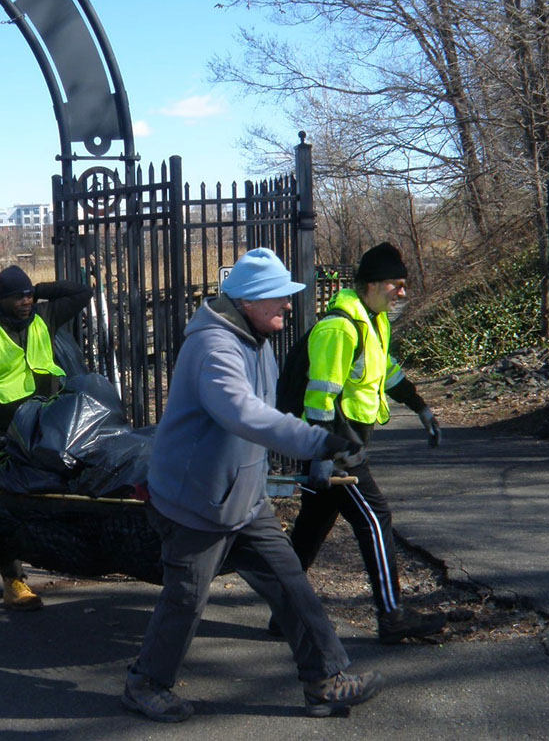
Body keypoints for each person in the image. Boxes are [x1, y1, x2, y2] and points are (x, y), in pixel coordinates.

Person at [123, 248, 383, 723]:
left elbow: (269, 413)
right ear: (250, 300)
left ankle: (325, 682)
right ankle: (145, 684)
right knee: (185, 600)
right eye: (280, 298)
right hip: (194, 502)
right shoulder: (213, 348)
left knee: (291, 585)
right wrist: (317, 442)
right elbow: (244, 414)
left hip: (243, 499)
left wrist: (314, 445)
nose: (288, 305)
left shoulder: (256, 340)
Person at [282, 242, 446, 644]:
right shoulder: (339, 327)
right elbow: (320, 398)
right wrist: (325, 456)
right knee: (376, 518)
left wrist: (420, 406)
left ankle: (282, 615)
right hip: (334, 450)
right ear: (372, 284)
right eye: (397, 285)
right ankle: (392, 618)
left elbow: (386, 371)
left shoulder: (373, 322)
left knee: (311, 528)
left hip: (337, 447)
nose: (403, 293)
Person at [0, 264, 93, 611]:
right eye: (19, 296)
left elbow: (81, 293)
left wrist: (39, 288)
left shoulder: (44, 316)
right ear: (1, 299)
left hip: (46, 424)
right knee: (7, 503)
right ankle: (13, 581)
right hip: (1, 431)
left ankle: (74, 553)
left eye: (29, 295)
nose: (26, 301)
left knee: (61, 490)